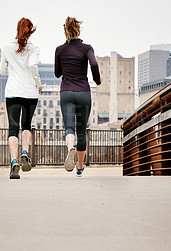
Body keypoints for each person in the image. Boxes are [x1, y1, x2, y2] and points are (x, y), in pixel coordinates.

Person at [54, 17, 101, 177]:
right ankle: (79, 167)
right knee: (81, 130)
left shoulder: (59, 49)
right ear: (78, 30)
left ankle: (70, 148)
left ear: (65, 31)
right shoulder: (87, 48)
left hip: (66, 92)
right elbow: (94, 64)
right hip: (83, 92)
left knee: (69, 127)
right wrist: (97, 79)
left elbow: (57, 73)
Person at [0, 17, 42, 179]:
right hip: (30, 93)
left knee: (12, 127)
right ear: (30, 31)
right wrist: (38, 84)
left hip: (12, 92)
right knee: (26, 125)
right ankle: (25, 152)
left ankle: (14, 162)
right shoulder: (35, 48)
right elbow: (32, 66)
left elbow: (2, 71)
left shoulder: (7, 48)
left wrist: (12, 67)